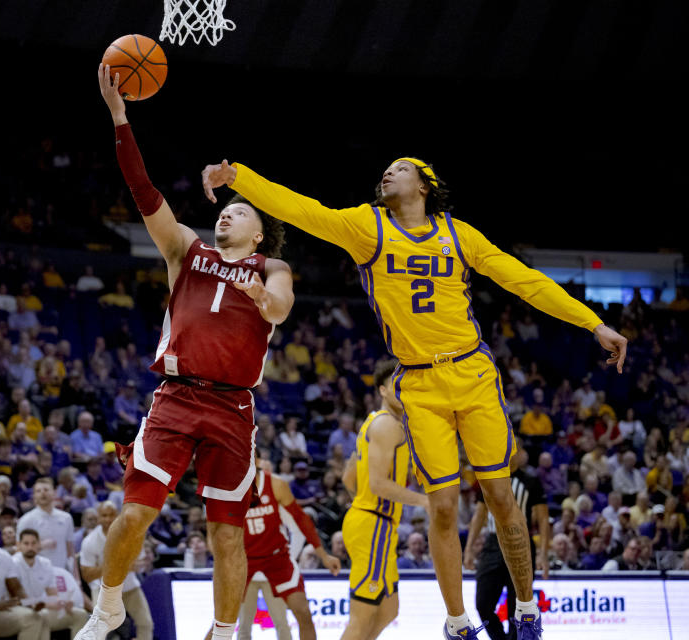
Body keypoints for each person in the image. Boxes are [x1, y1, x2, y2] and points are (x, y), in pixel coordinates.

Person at [202, 156, 628, 640]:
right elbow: (303, 210)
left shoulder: (459, 235)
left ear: (425, 184)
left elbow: (523, 280)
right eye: (385, 169)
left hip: (472, 371)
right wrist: (240, 176)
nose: (386, 172)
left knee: (501, 497)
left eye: (399, 168)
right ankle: (457, 622)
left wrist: (593, 323)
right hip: (420, 384)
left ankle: (527, 608)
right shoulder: (369, 228)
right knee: (443, 505)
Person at [79, 65, 294, 640]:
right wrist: (120, 117)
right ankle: (107, 607)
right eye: (224, 208)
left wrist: (262, 298)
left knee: (227, 533)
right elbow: (144, 192)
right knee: (135, 514)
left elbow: (279, 307)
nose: (227, 211)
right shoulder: (186, 250)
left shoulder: (270, 267)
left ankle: (223, 634)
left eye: (240, 211)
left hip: (232, 409)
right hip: (175, 397)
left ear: (257, 233)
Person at [340, 359, 427, 640]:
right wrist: (426, 502)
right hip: (373, 525)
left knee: (389, 609)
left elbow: (348, 478)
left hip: (371, 522)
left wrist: (363, 505)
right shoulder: (388, 426)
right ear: (382, 390)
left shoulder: (372, 424)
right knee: (361, 617)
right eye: (395, 385)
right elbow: (378, 485)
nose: (401, 390)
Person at [238, 455, 341, 640]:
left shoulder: (276, 485)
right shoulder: (226, 490)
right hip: (244, 563)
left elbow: (301, 521)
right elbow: (217, 534)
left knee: (300, 615)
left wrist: (323, 555)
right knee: (225, 624)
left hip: (276, 560)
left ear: (257, 460)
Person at [464, 445, 550, 640]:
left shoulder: (531, 481)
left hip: (522, 544)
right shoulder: (488, 479)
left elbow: (544, 519)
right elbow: (479, 515)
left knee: (518, 608)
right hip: (492, 544)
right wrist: (468, 549)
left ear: (520, 454)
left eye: (515, 450)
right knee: (482, 604)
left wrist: (544, 554)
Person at [79, 501, 153, 640]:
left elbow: (141, 564)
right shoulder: (90, 541)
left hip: (129, 587)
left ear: (118, 515)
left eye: (111, 515)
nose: (107, 519)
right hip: (103, 589)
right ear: (98, 517)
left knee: (146, 623)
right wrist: (118, 565)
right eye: (104, 515)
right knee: (98, 629)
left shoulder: (132, 534)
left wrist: (137, 565)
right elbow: (87, 575)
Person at [14, 528, 90, 638]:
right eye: (26, 543)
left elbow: (53, 596)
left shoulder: (45, 564)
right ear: (19, 545)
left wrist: (64, 602)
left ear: (39, 545)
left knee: (80, 614)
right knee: (40, 617)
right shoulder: (13, 563)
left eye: (33, 543)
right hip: (22, 610)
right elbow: (16, 600)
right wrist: (43, 603)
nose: (30, 547)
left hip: (43, 609)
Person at [16, 477, 75, 571]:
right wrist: (41, 546)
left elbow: (70, 552)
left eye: (46, 490)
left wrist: (76, 579)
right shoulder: (26, 520)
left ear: (54, 493)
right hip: (36, 572)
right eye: (38, 491)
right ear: (34, 496)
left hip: (61, 572)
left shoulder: (66, 518)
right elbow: (19, 550)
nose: (43, 493)